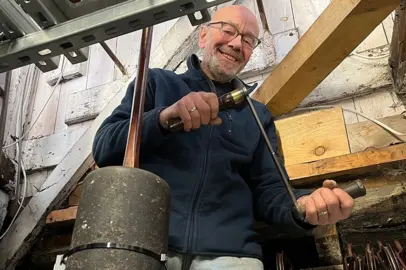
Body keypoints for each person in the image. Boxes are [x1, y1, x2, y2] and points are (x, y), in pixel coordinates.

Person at [92, 4, 354, 269]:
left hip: (231, 254)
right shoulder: (156, 82)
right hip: (144, 244)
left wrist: (303, 205)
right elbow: (104, 148)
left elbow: (270, 190)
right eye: (228, 30)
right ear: (203, 36)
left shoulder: (258, 116)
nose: (237, 43)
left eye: (249, 40)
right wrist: (163, 118)